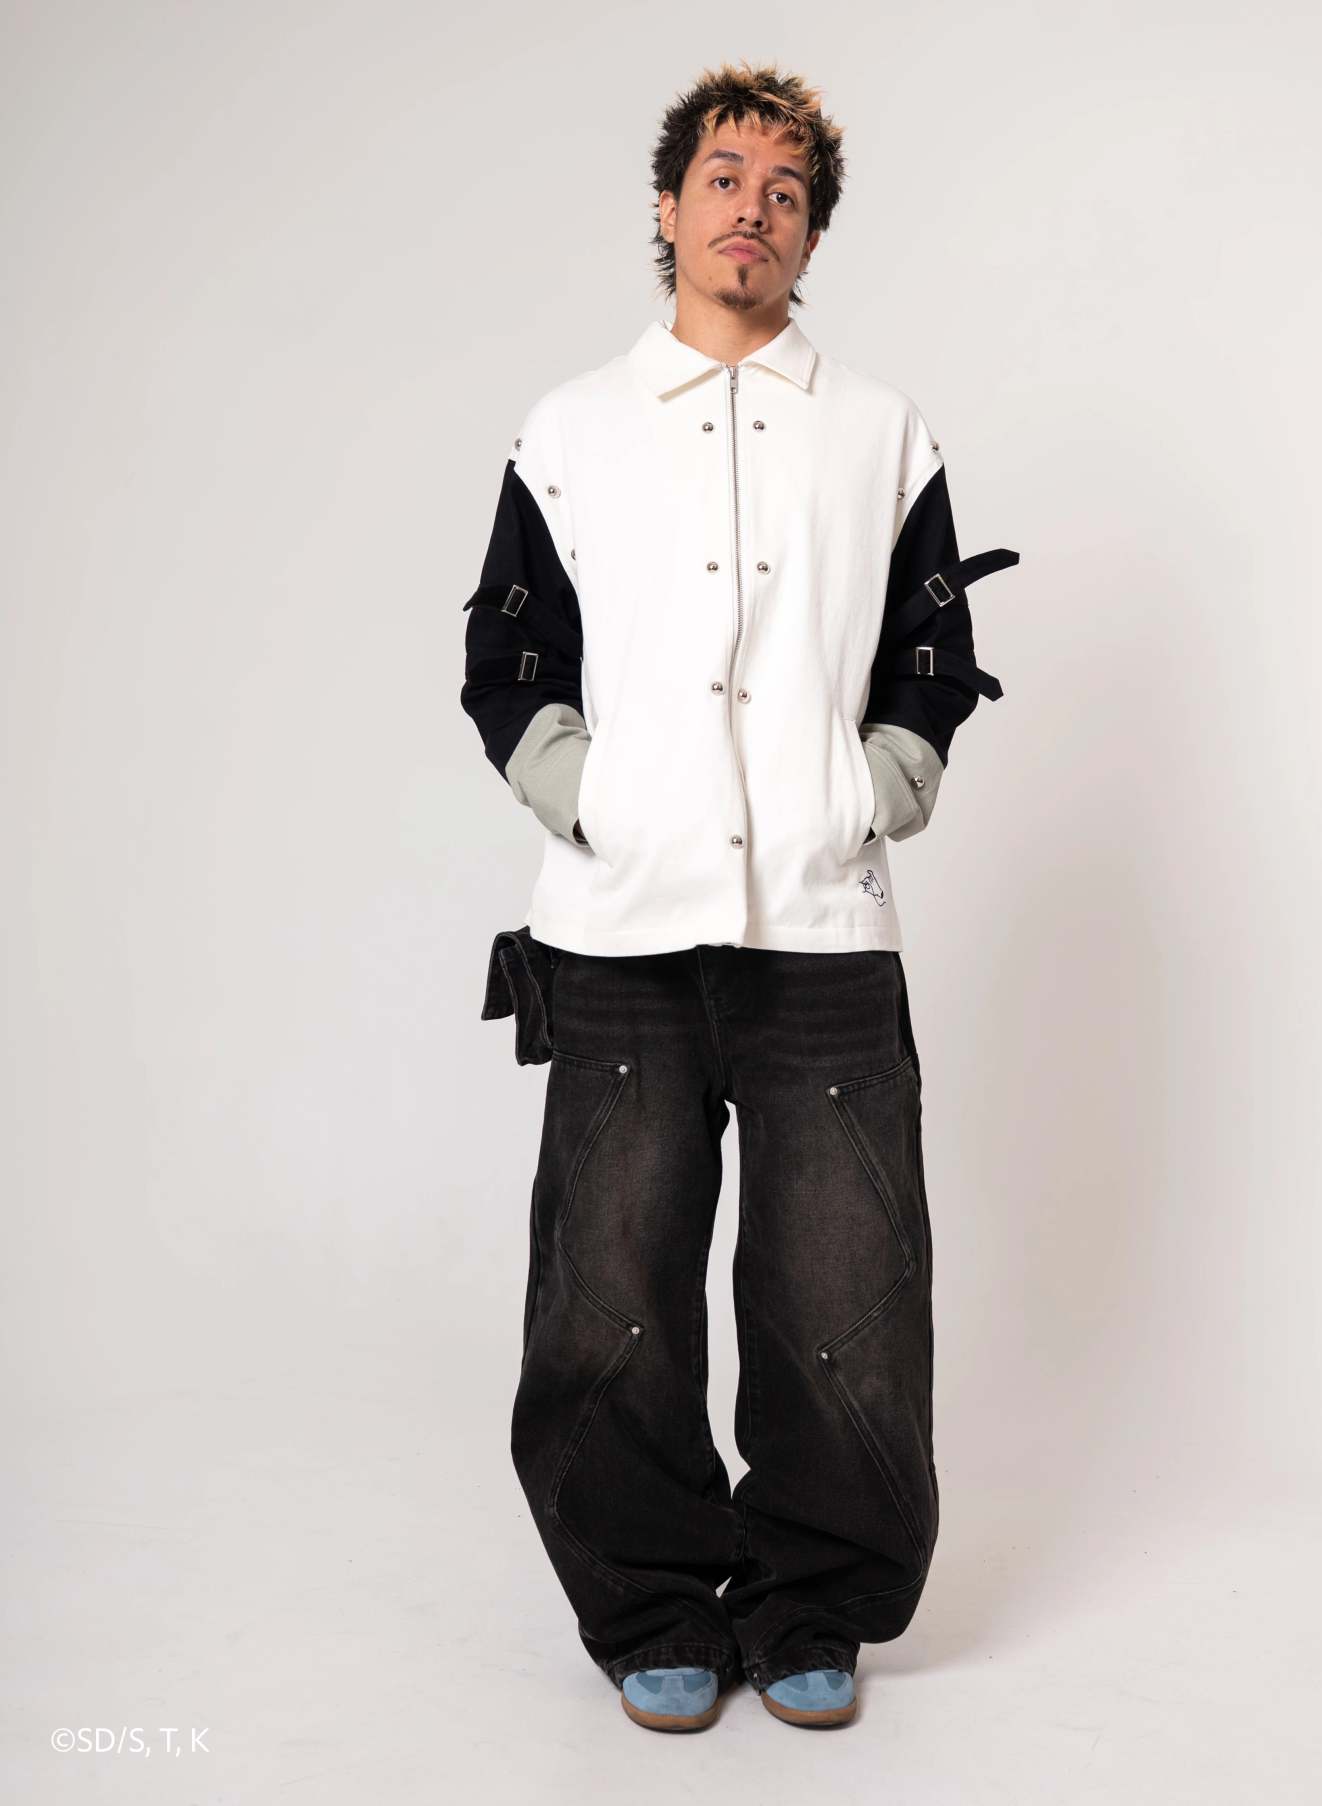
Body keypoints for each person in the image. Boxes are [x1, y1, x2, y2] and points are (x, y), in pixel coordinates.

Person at [459, 58, 1017, 1732]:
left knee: (845, 1294)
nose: (750, 209)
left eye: (784, 190)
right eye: (722, 177)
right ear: (667, 204)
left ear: (811, 232)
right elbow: (508, 656)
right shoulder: (568, 428)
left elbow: (930, 649)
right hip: (616, 929)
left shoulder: (880, 429)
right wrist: (595, 800)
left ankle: (813, 1601)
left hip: (823, 933)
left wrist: (873, 788)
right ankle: (647, 1601)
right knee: (611, 1292)